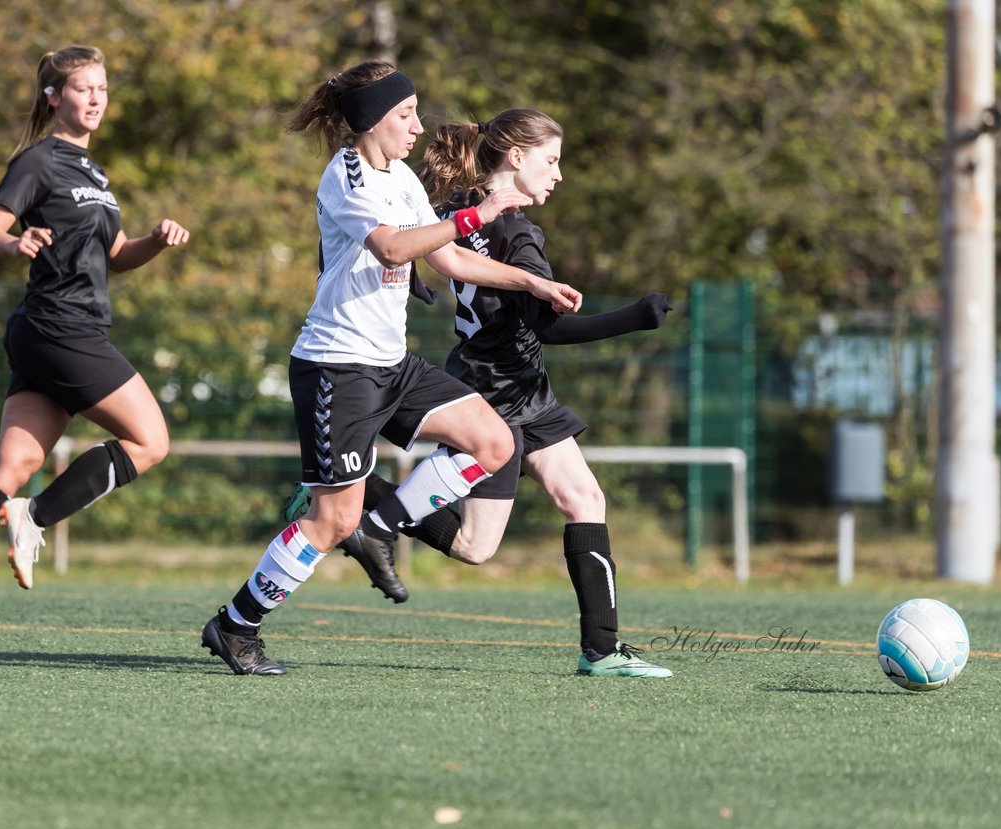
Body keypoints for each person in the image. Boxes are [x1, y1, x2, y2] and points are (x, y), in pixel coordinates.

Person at [199, 62, 582, 676]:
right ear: (372, 118)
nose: (417, 126)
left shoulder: (400, 174)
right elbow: (394, 247)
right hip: (337, 369)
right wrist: (481, 213)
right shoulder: (347, 176)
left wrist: (533, 281)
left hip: (391, 364)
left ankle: (381, 525)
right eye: (406, 114)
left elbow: (450, 260)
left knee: (494, 441)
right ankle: (236, 624)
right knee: (331, 521)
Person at [287, 108, 674, 677]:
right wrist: (635, 317)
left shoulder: (456, 211)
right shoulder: (515, 231)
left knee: (584, 499)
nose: (558, 175)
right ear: (516, 158)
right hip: (495, 398)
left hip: (523, 391)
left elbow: (426, 254)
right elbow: (549, 327)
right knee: (475, 547)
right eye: (552, 161)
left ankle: (602, 649)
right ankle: (353, 494)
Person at [0, 45, 189, 637]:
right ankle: (34, 517)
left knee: (16, 462)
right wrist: (14, 245)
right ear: (53, 97)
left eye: (103, 89)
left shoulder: (95, 173)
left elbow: (114, 254)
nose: (95, 98)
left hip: (52, 332)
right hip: (60, 327)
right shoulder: (38, 162)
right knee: (151, 440)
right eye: (84, 88)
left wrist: (156, 242)